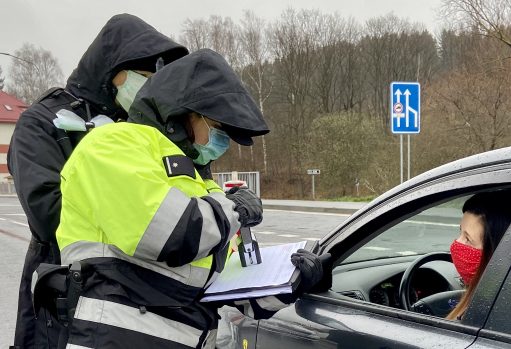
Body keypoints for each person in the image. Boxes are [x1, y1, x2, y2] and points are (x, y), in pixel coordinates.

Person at [42, 48, 325, 349]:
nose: (222, 143)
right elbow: (170, 234)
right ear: (184, 112)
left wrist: (286, 285)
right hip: (117, 338)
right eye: (218, 129)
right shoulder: (112, 143)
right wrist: (236, 209)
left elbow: (217, 287)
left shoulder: (197, 181)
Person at [7, 14, 189, 349]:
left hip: (130, 296)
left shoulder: (137, 128)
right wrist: (139, 218)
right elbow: (49, 215)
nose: (148, 87)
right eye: (143, 77)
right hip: (64, 290)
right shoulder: (43, 123)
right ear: (112, 70)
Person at [446, 189, 511, 320]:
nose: (456, 244)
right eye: (460, 232)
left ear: (499, 250)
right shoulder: (503, 291)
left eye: (468, 239)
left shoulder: (490, 307)